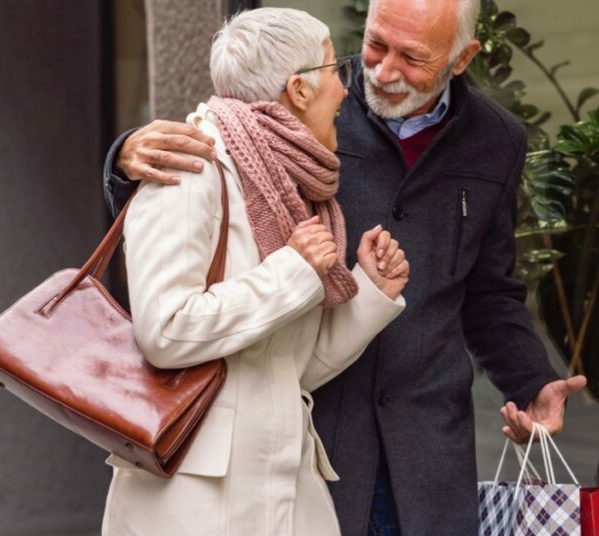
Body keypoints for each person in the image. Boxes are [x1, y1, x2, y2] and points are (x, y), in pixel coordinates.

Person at [102, 1, 587, 534]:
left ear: (462, 57)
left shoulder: (497, 141)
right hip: (315, 441)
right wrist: (124, 159)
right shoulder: (305, 110)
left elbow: (491, 292)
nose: (381, 71)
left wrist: (530, 381)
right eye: (376, 44)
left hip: (428, 450)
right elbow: (198, 188)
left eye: (413, 57)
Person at [101, 8, 408, 535]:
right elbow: (164, 331)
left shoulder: (293, 189)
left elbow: (291, 368)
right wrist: (293, 271)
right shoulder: (193, 168)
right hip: (197, 502)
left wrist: (369, 296)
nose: (346, 91)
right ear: (300, 90)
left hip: (286, 491)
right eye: (336, 69)